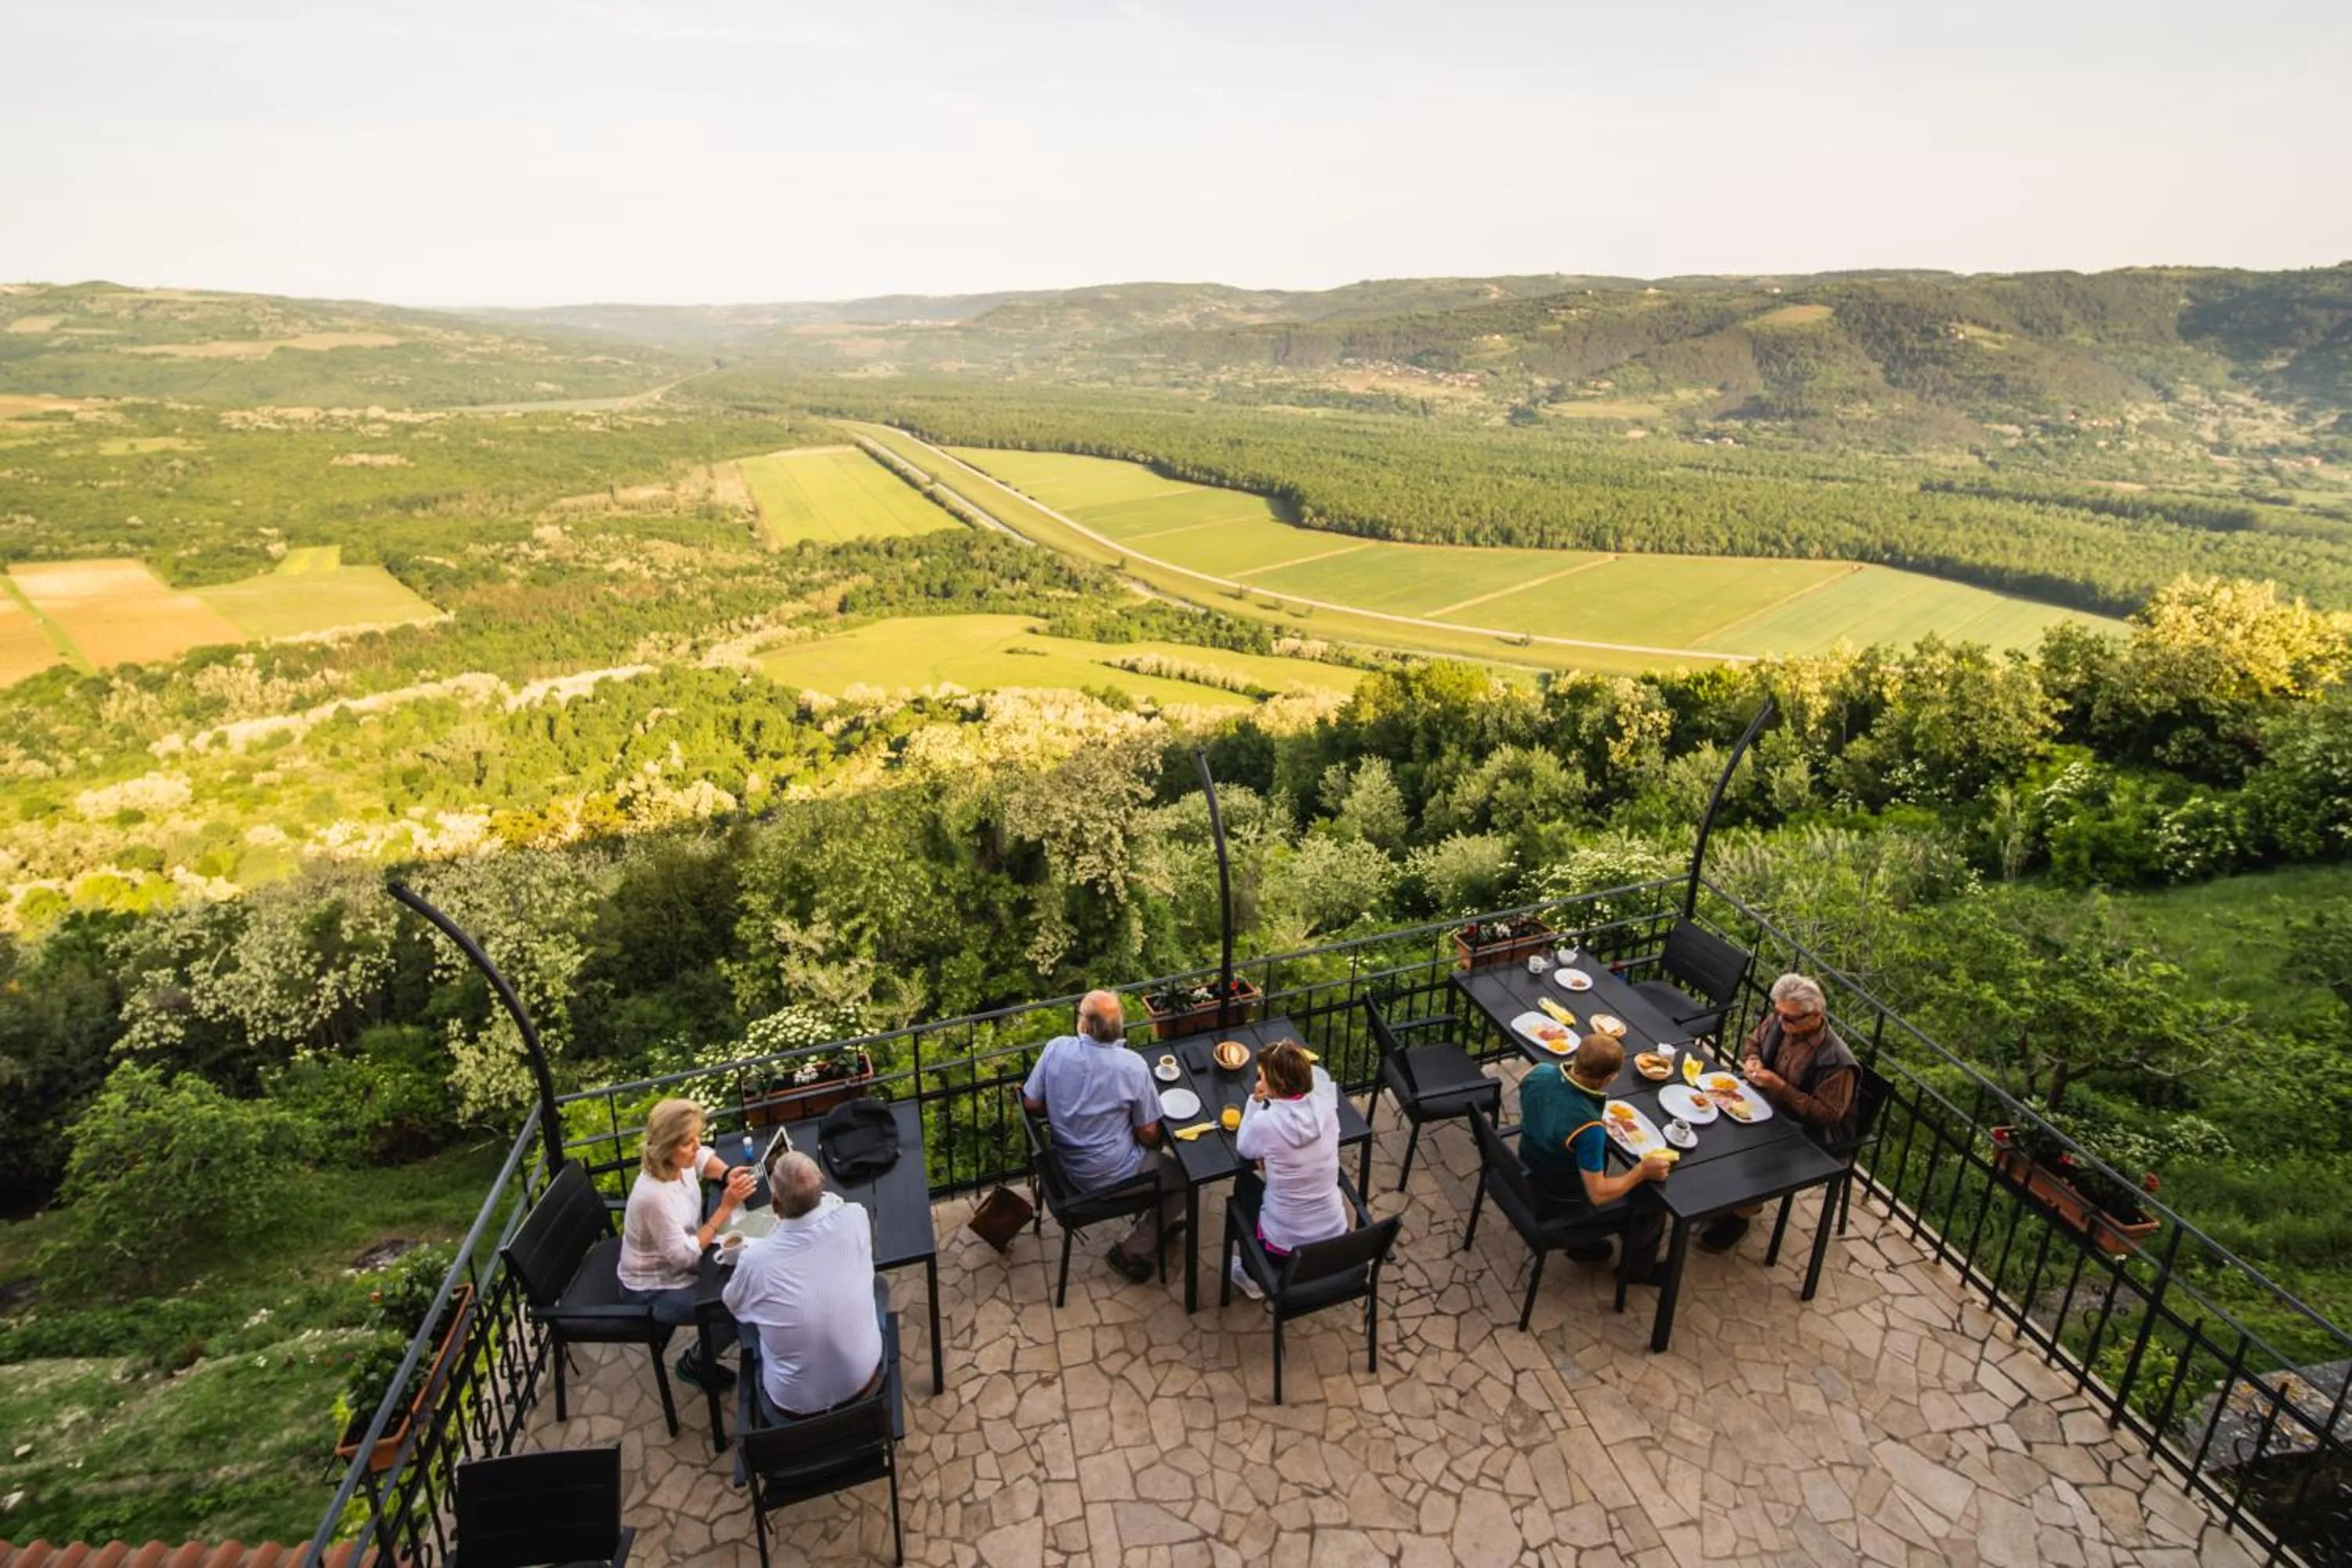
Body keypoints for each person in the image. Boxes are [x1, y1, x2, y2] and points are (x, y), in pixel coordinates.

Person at [1020, 989, 1186, 1283]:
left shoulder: (1056, 1049)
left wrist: (1065, 1106)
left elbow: (1031, 1103)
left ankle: (1149, 1217)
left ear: (1085, 1025)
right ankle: (1132, 1250)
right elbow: (1148, 1132)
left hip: (1066, 1165)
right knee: (1187, 1181)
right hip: (1108, 1176)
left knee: (1160, 1165)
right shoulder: (1132, 1066)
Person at [1699, 972, 1860, 1253]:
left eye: (1791, 1018)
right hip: (1769, 1105)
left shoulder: (1836, 1061)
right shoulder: (1779, 1023)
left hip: (1809, 1131)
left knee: (1757, 1150)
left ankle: (1740, 1214)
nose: (1782, 1022)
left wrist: (1780, 1087)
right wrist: (1753, 1060)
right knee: (1712, 1119)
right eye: (1780, 1014)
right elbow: (1753, 1043)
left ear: (1815, 1016)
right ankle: (1722, 1194)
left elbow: (1827, 1115)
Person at [722, 1150, 887, 1421]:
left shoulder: (755, 1261)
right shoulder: (855, 1217)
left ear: (775, 1206)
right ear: (822, 1185)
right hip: (866, 1385)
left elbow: (734, 1305)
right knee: (878, 1286)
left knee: (747, 1325)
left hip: (793, 1410)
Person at [619, 1097, 756, 1393]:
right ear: (666, 1148)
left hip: (687, 1259)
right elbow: (682, 1257)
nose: (696, 1146)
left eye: (697, 1137)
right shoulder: (654, 1196)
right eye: (687, 1142)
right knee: (732, 1306)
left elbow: (704, 1157)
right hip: (653, 1289)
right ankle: (694, 1362)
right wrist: (725, 1207)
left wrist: (727, 1172)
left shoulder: (681, 1162)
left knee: (746, 1275)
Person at [1514, 1033, 1671, 1280]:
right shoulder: (1589, 1129)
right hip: (1559, 1203)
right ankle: (1637, 1272)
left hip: (1529, 1171)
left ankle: (1584, 1247)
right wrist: (1641, 1171)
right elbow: (1598, 1195)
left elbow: (1538, 1098)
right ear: (1609, 1078)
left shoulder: (1538, 1072)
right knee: (1651, 1203)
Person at [1226, 1039, 1347, 1301]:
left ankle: (1251, 1276)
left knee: (1244, 1185)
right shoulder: (1326, 1107)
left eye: (1262, 1076)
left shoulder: (1267, 1124)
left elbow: (1245, 1149)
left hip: (1286, 1246)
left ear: (1273, 1085)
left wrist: (1255, 1102)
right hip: (1334, 1236)